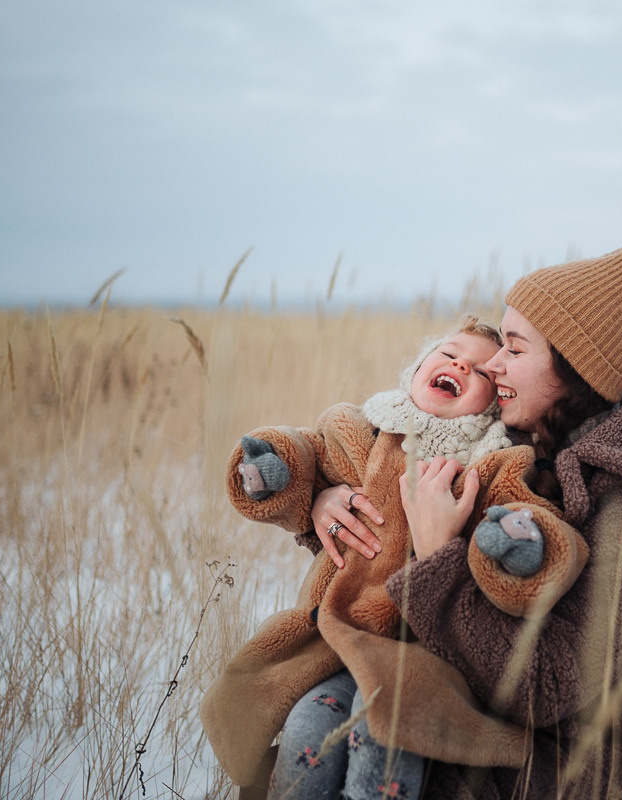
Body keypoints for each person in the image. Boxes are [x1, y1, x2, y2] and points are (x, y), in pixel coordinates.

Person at [312, 240, 622, 799]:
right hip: (496, 713)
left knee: (395, 741)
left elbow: (545, 686)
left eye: (514, 350)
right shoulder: (519, 434)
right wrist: (331, 498)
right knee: (318, 729)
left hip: (579, 767)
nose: (492, 364)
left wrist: (441, 556)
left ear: (574, 370)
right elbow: (395, 492)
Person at [200, 316, 591, 799]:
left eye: (481, 372)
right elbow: (309, 455)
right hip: (337, 642)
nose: (460, 365)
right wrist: (282, 475)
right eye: (448, 354)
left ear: (493, 407)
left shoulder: (492, 463)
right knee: (306, 728)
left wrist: (522, 542)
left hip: (425, 659)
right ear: (416, 370)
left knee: (384, 736)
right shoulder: (366, 433)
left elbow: (535, 520)